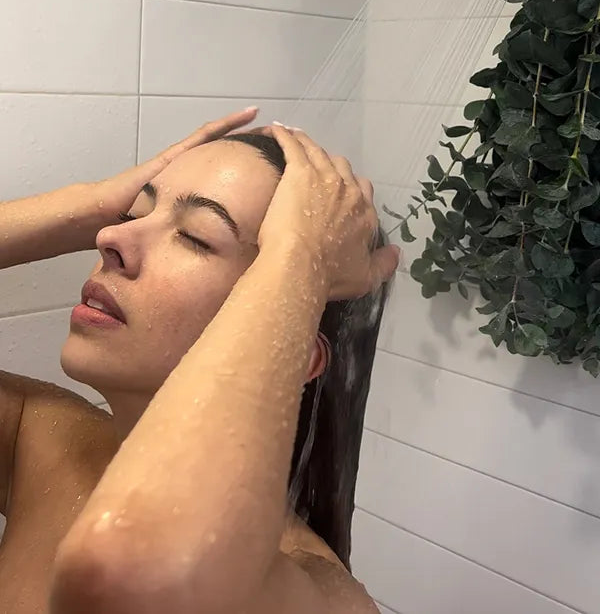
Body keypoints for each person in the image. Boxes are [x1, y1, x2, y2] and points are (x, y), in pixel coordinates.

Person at [0, 107, 399, 614]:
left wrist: (302, 256)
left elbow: (131, 569)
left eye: (195, 236)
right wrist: (89, 204)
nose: (108, 238)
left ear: (296, 345)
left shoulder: (321, 596)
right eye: (132, 215)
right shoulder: (44, 440)